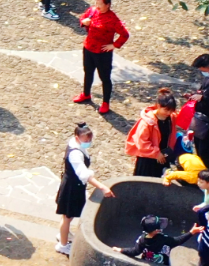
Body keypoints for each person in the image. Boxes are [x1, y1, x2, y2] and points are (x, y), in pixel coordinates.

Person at [56, 122, 115, 256]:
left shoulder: (74, 145)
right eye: (86, 140)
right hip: (72, 188)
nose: (88, 143)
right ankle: (63, 245)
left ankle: (63, 235)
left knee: (67, 216)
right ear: (77, 138)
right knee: (67, 217)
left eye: (89, 140)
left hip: (72, 185)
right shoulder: (75, 154)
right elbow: (84, 174)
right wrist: (102, 187)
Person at [74, 0, 129, 115]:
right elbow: (83, 17)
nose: (97, 6)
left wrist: (114, 45)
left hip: (102, 53)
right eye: (96, 3)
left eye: (100, 4)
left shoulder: (112, 19)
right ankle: (86, 94)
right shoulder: (92, 10)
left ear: (108, 5)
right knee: (88, 72)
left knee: (105, 78)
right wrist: (83, 22)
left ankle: (105, 102)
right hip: (88, 48)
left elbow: (125, 34)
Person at [126, 89, 180, 177]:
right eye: (166, 110)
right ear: (158, 105)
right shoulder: (147, 122)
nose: (168, 113)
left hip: (163, 156)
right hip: (148, 159)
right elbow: (142, 142)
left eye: (171, 110)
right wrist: (156, 153)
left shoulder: (171, 118)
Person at [113, 215, 200, 261]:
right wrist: (191, 232)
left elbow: (134, 251)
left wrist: (121, 250)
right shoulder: (163, 239)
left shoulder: (141, 240)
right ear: (156, 231)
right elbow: (177, 241)